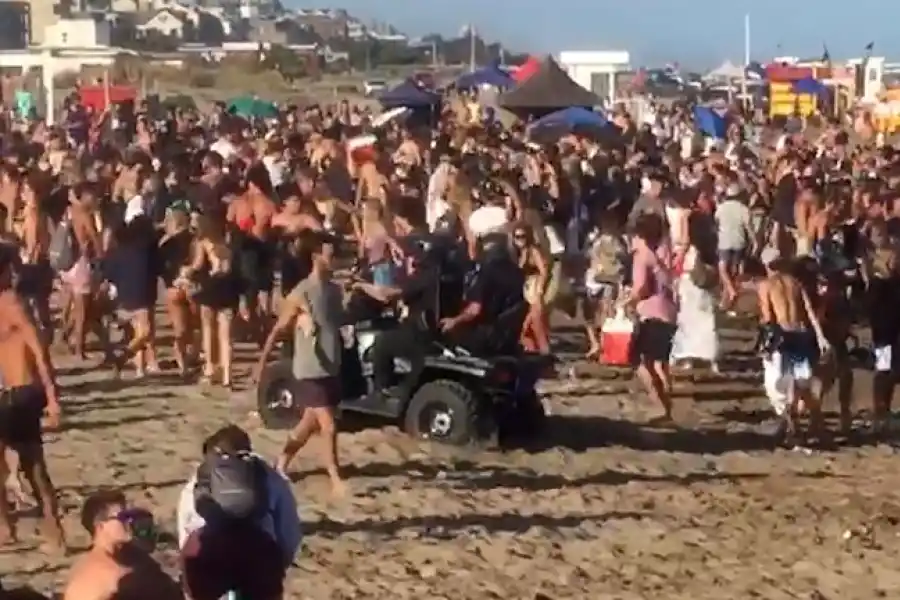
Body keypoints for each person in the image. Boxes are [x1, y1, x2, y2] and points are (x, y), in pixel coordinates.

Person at [255, 234, 346, 494]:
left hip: (330, 364)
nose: (334, 258)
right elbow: (278, 329)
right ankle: (335, 477)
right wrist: (262, 362)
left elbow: (335, 323)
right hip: (309, 368)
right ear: (316, 257)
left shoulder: (334, 290)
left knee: (307, 425)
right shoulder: (301, 292)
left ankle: (281, 462)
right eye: (330, 254)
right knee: (329, 425)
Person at [178, 425, 301, 600]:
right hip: (258, 553)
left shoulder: (197, 481)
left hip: (209, 555)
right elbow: (290, 533)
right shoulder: (269, 476)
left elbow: (185, 530)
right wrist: (279, 566)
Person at [0, 244, 65, 550]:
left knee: (33, 465)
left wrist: (52, 396)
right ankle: (5, 528)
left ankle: (54, 530)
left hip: (21, 392)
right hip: (6, 392)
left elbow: (39, 352)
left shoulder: (11, 303)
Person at [757, 250, 830, 444]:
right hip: (802, 334)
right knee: (801, 382)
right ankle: (812, 423)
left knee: (783, 382)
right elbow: (809, 313)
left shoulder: (766, 285)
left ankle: (793, 426)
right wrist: (820, 337)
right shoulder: (796, 283)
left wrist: (764, 340)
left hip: (784, 336)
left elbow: (767, 317)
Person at [63, 490, 180, 600]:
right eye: (122, 517)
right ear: (100, 526)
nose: (129, 522)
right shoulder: (91, 578)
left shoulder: (135, 556)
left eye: (129, 516)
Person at [622, 213, 677, 425]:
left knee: (638, 359)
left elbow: (642, 288)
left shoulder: (642, 256)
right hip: (668, 311)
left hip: (652, 313)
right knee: (657, 361)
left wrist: (627, 302)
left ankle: (661, 406)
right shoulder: (659, 255)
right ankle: (664, 405)